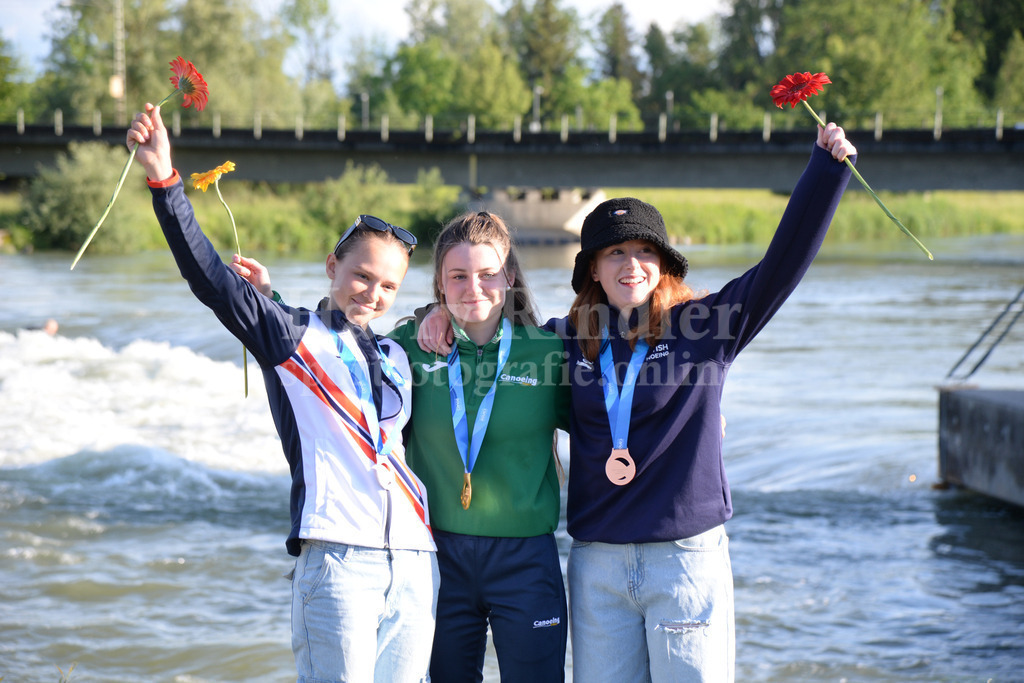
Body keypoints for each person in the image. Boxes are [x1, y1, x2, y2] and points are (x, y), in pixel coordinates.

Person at [419, 122, 857, 681]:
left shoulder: (705, 329)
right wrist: (436, 314)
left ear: (664, 263)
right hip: (597, 566)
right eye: (615, 252)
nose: (631, 264)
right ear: (593, 271)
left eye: (645, 251)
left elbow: (781, 267)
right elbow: (488, 330)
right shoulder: (567, 339)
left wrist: (825, 172)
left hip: (683, 562)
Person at [126, 103, 438, 683]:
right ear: (332, 267)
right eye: (362, 276)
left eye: (388, 285)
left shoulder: (398, 354)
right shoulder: (291, 337)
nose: (372, 292)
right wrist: (165, 179)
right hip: (339, 560)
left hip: (416, 561)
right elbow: (210, 280)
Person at [236, 211, 571, 682]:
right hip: (437, 557)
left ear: (509, 277)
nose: (473, 287)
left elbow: (610, 421)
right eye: (458, 277)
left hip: (526, 561)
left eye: (488, 274)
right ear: (439, 283)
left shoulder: (548, 353)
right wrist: (268, 300)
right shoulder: (407, 348)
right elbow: (333, 354)